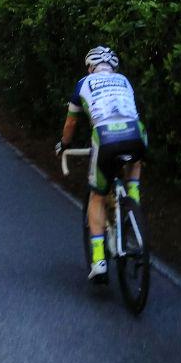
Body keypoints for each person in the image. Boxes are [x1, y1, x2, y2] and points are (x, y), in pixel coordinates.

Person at [57, 46, 147, 283]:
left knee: (97, 196)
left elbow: (70, 124)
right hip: (135, 134)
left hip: (106, 138)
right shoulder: (124, 81)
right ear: (114, 67)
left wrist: (64, 145)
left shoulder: (83, 83)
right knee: (136, 159)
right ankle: (133, 197)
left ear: (89, 67)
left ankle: (98, 261)